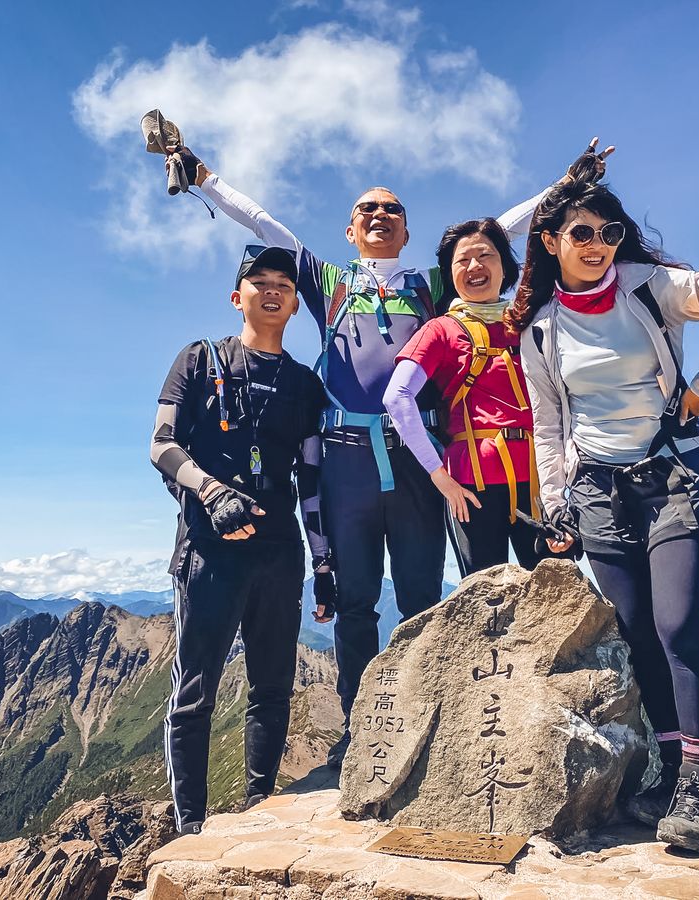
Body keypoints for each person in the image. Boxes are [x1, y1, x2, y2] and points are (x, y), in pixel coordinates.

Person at [164, 142, 612, 767]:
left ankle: (424, 720)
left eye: (391, 209)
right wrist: (206, 180)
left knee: (422, 594)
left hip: (416, 457)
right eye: (365, 209)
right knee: (354, 603)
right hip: (346, 457)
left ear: (406, 229)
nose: (378, 215)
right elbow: (266, 224)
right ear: (350, 230)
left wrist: (564, 187)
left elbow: (497, 233)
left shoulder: (433, 285)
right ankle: (361, 729)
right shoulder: (329, 283)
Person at [509, 178, 699, 851]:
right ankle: (668, 775)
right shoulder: (540, 330)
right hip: (597, 493)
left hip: (673, 476)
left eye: (609, 233)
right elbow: (547, 426)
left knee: (678, 626)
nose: (599, 245)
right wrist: (554, 505)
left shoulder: (651, 288)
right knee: (636, 634)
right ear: (550, 242)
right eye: (582, 234)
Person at [151, 245, 334, 833]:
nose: (273, 289)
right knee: (195, 692)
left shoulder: (305, 385)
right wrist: (212, 492)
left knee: (273, 687)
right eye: (260, 281)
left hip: (281, 555)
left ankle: (258, 813)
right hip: (207, 550)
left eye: (285, 282)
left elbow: (310, 478)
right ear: (239, 297)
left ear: (296, 304)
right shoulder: (199, 360)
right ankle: (190, 831)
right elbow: (161, 446)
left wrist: (324, 563)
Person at [382, 217, 546, 576]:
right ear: (450, 273)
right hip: (471, 484)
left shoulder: (533, 322)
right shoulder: (441, 329)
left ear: (506, 266)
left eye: (486, 255)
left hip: (539, 476)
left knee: (557, 595)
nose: (475, 266)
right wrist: (439, 476)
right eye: (462, 260)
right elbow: (397, 397)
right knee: (487, 605)